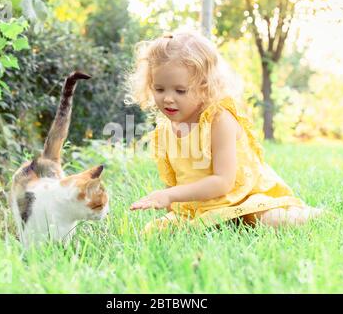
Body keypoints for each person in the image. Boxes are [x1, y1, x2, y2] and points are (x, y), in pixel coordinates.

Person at [127, 31, 323, 232]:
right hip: (200, 207)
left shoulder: (219, 120)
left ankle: (311, 215)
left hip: (240, 199)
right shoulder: (165, 131)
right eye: (159, 89)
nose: (168, 98)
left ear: (204, 86)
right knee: (154, 231)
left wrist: (170, 196)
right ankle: (219, 225)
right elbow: (176, 182)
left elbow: (223, 182)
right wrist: (170, 203)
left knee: (269, 219)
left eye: (180, 90)